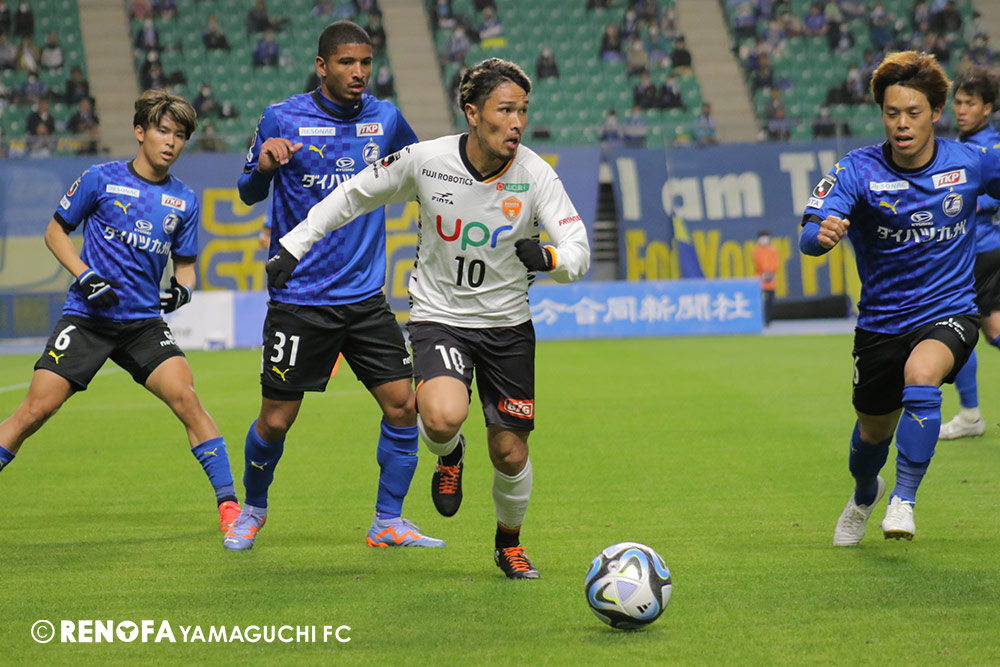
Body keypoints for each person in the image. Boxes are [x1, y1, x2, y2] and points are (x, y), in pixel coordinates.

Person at [266, 57, 591, 579]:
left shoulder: (535, 174)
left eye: (523, 111)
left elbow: (578, 249)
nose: (517, 123)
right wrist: (293, 244)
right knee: (440, 418)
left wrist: (551, 257)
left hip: (508, 326)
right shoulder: (426, 160)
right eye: (505, 110)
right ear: (472, 113)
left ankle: (508, 543)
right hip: (440, 316)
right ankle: (450, 455)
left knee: (510, 454)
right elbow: (353, 195)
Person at [224, 20, 440, 552]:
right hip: (300, 300)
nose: (359, 72)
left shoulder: (385, 119)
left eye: (366, 62)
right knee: (277, 419)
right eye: (347, 62)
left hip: (366, 300)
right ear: (322, 66)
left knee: (403, 406)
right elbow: (248, 191)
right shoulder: (281, 117)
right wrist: (264, 164)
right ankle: (252, 510)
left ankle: (388, 520)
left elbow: (425, 174)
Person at [0, 90, 241, 532]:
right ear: (140, 132)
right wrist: (85, 275)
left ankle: (231, 510)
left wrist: (183, 292)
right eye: (163, 131)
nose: (171, 142)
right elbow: (55, 232)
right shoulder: (100, 178)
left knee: (187, 399)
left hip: (142, 324)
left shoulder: (184, 200)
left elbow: (186, 268)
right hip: (87, 319)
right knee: (34, 412)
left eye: (179, 135)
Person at [799, 51, 1000, 546]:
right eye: (892, 113)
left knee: (923, 375)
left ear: (936, 112)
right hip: (882, 322)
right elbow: (809, 232)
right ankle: (866, 493)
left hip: (950, 309)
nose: (902, 124)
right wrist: (820, 236)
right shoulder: (855, 169)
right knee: (871, 436)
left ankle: (904, 500)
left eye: (913, 112)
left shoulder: (970, 163)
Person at [939, 66, 1000, 440]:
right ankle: (970, 415)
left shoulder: (990, 146)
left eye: (970, 103)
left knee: (953, 326)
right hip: (979, 251)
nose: (961, 110)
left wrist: (972, 201)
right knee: (993, 330)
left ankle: (970, 415)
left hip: (978, 252)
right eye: (958, 102)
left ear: (987, 108)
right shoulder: (964, 144)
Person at [752, 230, 778, 325]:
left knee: (769, 301)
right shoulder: (756, 250)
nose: (764, 240)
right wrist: (764, 272)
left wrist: (770, 272)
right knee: (760, 301)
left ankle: (768, 320)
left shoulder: (772, 250)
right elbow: (757, 263)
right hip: (760, 280)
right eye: (762, 238)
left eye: (766, 237)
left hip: (770, 280)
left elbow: (775, 263)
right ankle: (760, 320)